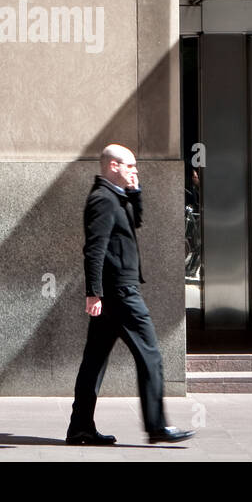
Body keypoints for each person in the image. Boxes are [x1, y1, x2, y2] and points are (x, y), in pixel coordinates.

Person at [66, 144, 195, 446]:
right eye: (130, 166)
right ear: (113, 166)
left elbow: (135, 222)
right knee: (150, 353)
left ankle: (80, 427)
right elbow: (94, 250)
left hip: (114, 291)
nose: (135, 170)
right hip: (120, 292)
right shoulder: (103, 200)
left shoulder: (116, 197)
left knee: (94, 362)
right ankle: (157, 426)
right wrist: (93, 293)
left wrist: (135, 193)